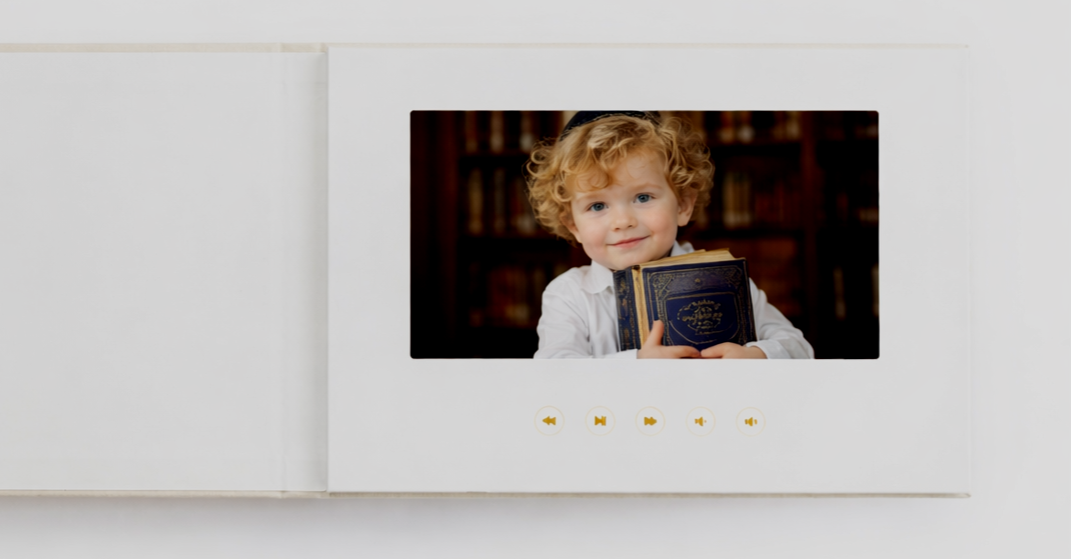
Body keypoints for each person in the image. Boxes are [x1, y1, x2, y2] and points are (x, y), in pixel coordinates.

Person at [525, 111, 813, 359]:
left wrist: (757, 355)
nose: (622, 221)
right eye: (597, 205)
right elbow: (556, 372)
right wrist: (635, 365)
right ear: (573, 224)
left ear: (683, 205)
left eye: (643, 197)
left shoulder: (724, 278)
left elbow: (800, 349)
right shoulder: (569, 295)